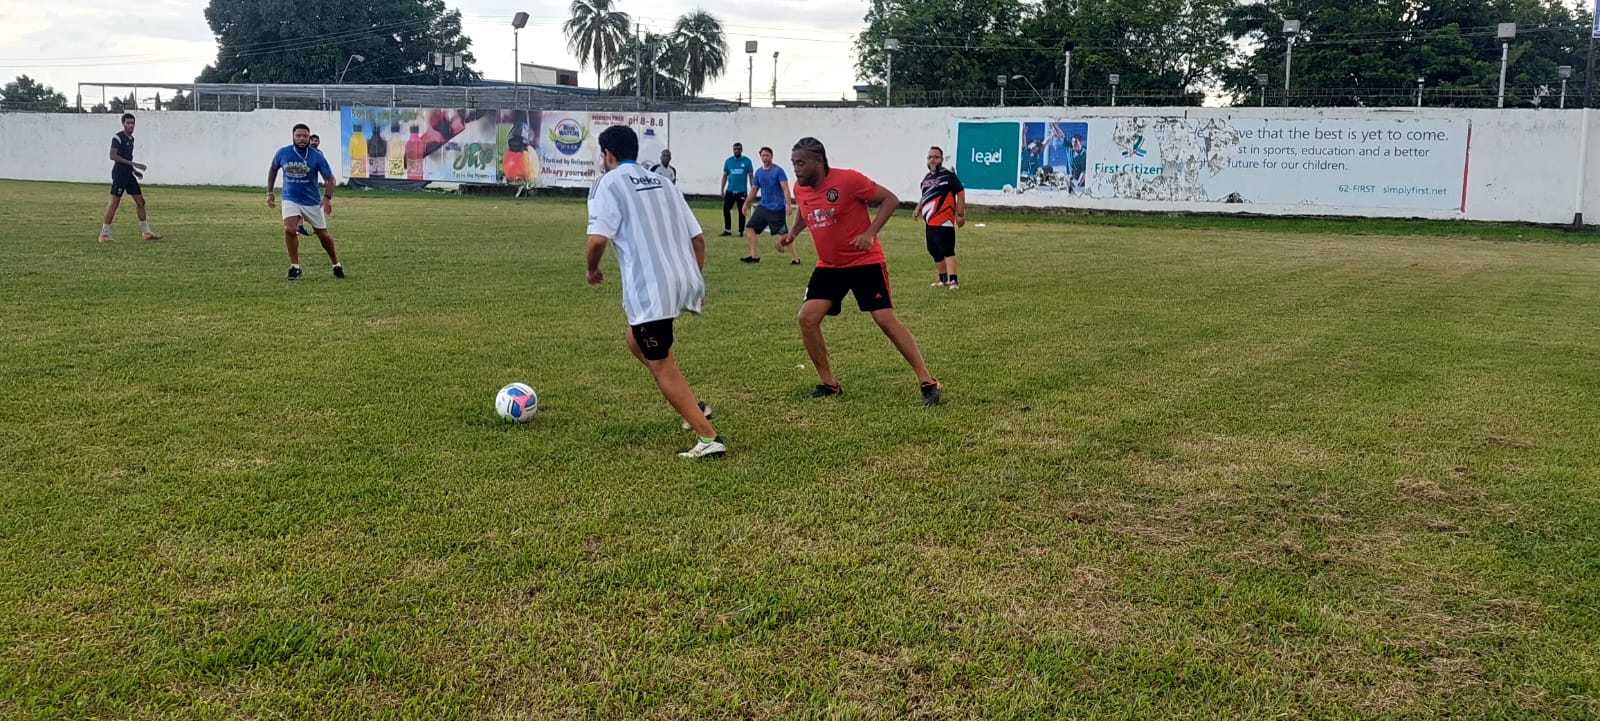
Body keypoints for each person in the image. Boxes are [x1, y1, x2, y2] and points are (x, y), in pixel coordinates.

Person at [586, 125, 725, 459]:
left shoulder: (609, 183)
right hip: (681, 281)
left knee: (660, 362)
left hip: (650, 291)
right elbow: (698, 239)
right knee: (635, 340)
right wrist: (695, 280)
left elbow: (598, 239)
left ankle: (708, 439)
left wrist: (592, 269)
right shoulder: (664, 182)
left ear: (608, 154)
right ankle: (693, 406)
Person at [779, 137, 942, 406]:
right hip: (829, 265)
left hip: (864, 261)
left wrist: (869, 233)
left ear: (819, 161)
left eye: (801, 163)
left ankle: (928, 381)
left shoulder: (848, 180)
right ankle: (829, 384)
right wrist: (793, 233)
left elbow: (890, 200)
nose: (796, 169)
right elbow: (805, 210)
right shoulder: (800, 187)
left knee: (885, 320)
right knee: (807, 318)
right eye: (794, 163)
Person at [267, 123, 344, 281]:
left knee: (323, 235)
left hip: (312, 201)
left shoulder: (316, 156)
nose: (302, 139)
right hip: (290, 198)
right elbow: (273, 169)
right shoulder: (283, 153)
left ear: (309, 137)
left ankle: (336, 264)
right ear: (293, 136)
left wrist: (327, 198)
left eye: (305, 136)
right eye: (298, 136)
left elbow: (330, 179)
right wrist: (270, 192)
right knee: (289, 230)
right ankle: (295, 267)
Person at [99, 113, 162, 243]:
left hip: (129, 174)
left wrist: (134, 171)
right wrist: (134, 164)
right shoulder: (117, 138)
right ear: (123, 124)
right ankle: (104, 235)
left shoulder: (131, 139)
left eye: (132, 123)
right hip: (120, 174)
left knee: (141, 202)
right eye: (128, 123)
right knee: (114, 203)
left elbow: (127, 158)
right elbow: (112, 156)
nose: (131, 125)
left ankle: (146, 233)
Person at [740, 147, 800, 264]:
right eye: (763, 156)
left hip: (777, 208)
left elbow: (785, 188)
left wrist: (788, 204)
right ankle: (754, 257)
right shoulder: (759, 172)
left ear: (771, 156)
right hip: (763, 207)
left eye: (767, 155)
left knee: (784, 234)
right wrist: (746, 203)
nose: (765, 158)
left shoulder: (778, 171)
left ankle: (795, 259)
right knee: (750, 228)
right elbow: (754, 190)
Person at [917, 146, 966, 290]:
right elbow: (925, 196)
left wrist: (960, 214)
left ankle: (953, 281)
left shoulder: (948, 176)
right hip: (930, 222)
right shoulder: (927, 178)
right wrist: (918, 208)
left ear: (942, 159)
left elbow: (960, 192)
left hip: (944, 221)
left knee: (947, 250)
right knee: (933, 250)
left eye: (936, 157)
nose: (932, 160)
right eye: (930, 157)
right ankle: (942, 279)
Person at [720, 142, 754, 237]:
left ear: (741, 150)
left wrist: (753, 189)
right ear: (733, 150)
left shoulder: (747, 161)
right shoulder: (728, 161)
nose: (737, 151)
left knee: (742, 211)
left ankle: (740, 231)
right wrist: (722, 189)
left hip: (741, 191)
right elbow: (725, 176)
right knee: (726, 209)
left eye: (738, 149)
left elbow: (751, 176)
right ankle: (727, 230)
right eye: (735, 149)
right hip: (730, 190)